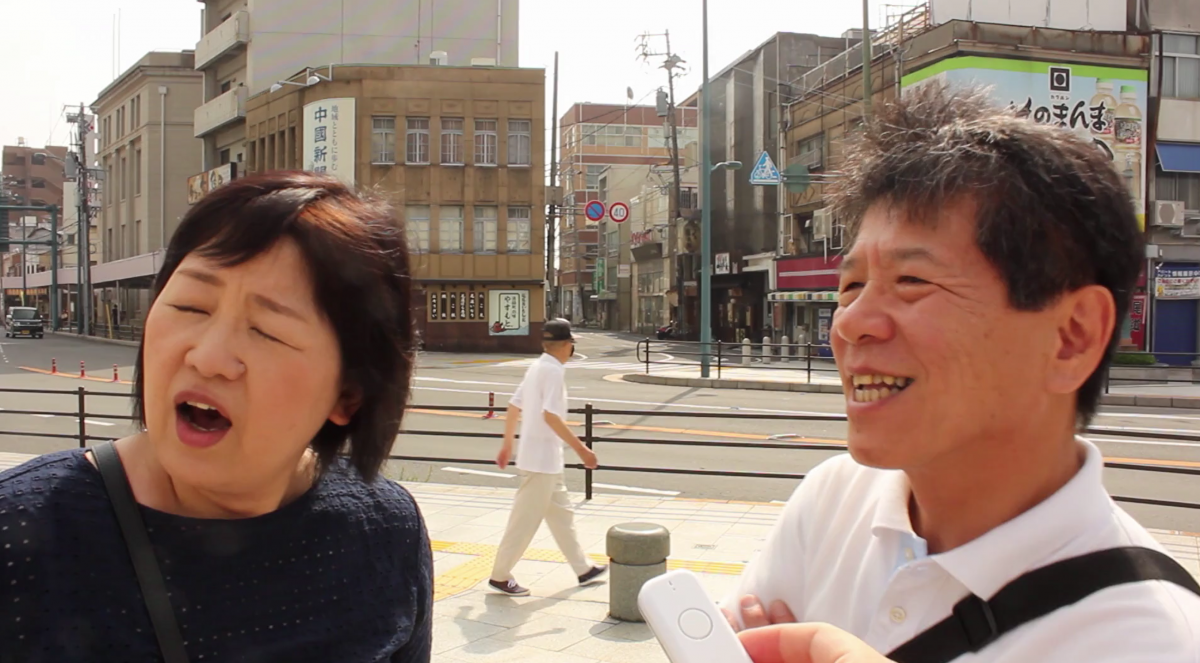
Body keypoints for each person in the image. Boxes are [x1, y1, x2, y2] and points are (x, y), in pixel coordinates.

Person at [722, 84, 1200, 661]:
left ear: (1072, 336)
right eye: (850, 285)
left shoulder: (1150, 642)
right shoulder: (832, 500)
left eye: (912, 282)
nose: (851, 324)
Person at [0, 171, 432, 661]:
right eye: (190, 305)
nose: (207, 357)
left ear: (349, 394)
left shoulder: (385, 532)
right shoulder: (20, 536)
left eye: (267, 331)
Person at [489, 318, 607, 596]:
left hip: (544, 459)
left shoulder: (537, 366)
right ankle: (500, 575)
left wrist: (507, 444)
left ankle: (582, 568)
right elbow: (551, 416)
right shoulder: (552, 371)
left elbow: (513, 405)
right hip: (540, 460)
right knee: (524, 521)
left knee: (562, 516)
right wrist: (582, 449)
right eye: (571, 345)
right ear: (566, 345)